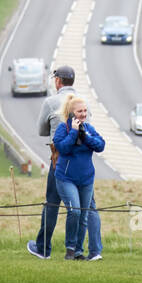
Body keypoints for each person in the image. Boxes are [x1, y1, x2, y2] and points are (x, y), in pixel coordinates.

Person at [28, 65, 103, 260]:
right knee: (88, 208)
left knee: (52, 204)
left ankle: (44, 248)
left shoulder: (51, 102)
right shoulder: (83, 101)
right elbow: (91, 129)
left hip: (59, 159)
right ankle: (94, 250)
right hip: (84, 162)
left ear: (58, 81)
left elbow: (41, 131)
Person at [53, 95, 106, 261]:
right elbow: (62, 147)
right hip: (66, 178)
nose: (83, 114)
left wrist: (86, 137)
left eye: (85, 111)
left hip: (86, 179)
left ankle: (78, 251)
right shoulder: (64, 128)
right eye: (79, 111)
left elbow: (101, 145)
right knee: (74, 211)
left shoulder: (89, 128)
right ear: (71, 113)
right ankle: (70, 247)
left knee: (83, 215)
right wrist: (74, 133)